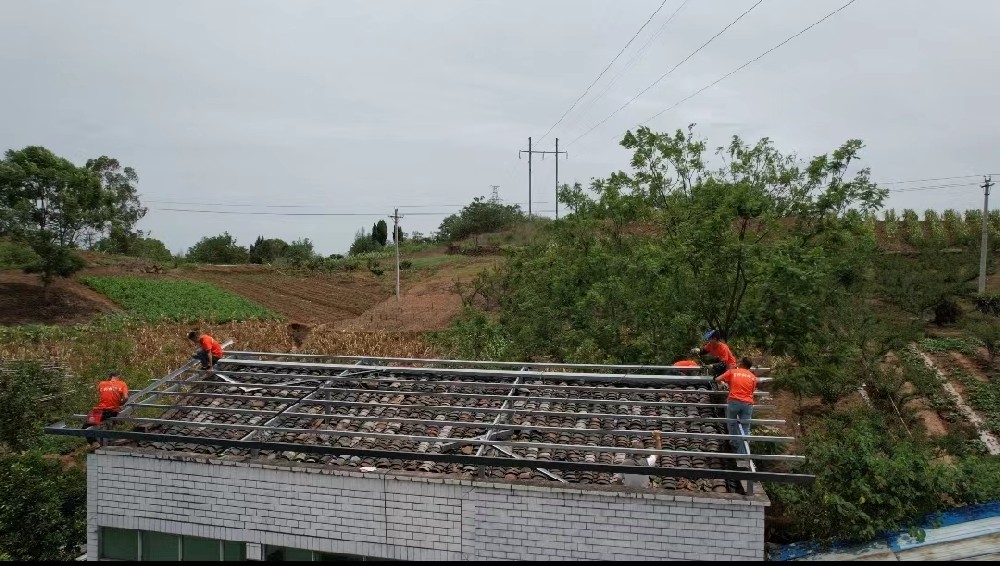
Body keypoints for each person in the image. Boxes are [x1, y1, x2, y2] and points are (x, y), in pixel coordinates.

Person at [715, 357, 758, 465]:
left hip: (734, 401)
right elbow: (752, 391)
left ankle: (734, 443)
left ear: (742, 363)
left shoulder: (733, 372)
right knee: (745, 428)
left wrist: (724, 383)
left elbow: (718, 379)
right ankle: (742, 457)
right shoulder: (753, 377)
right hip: (747, 404)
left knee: (732, 423)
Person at [84, 371, 129, 444]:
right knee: (88, 426)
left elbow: (103, 395)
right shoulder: (122, 384)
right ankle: (96, 443)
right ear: (118, 376)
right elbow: (126, 397)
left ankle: (94, 443)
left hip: (101, 410)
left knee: (86, 426)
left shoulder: (102, 384)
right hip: (111, 410)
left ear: (110, 376)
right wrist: (121, 403)